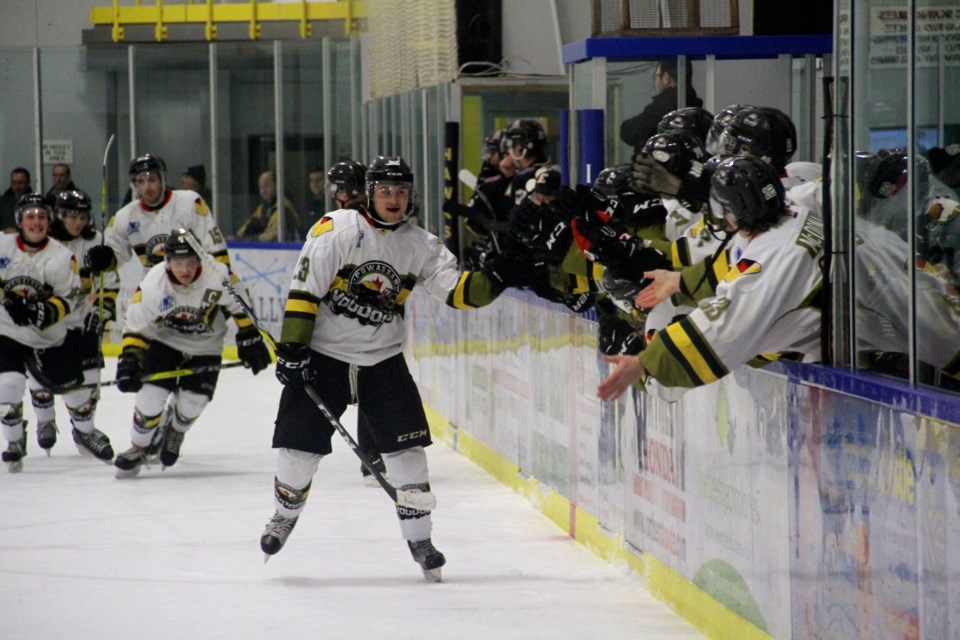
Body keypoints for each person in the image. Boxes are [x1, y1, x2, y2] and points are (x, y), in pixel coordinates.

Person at [259, 156, 515, 580]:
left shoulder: (421, 244)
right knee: (298, 451)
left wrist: (503, 270)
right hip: (326, 355)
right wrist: (292, 351)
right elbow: (305, 290)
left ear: (410, 196)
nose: (393, 199)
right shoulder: (337, 229)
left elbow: (458, 294)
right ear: (369, 194)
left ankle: (421, 539)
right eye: (384, 191)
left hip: (383, 360)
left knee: (407, 455)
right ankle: (284, 515)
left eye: (400, 192)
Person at [597, 156, 823, 403]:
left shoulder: (765, 271)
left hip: (863, 356)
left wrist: (643, 365)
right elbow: (733, 263)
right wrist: (680, 281)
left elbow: (716, 335)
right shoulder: (792, 213)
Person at [111, 228, 271, 478]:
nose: (184, 270)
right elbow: (137, 327)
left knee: (193, 402)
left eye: (190, 262)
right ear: (167, 261)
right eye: (177, 263)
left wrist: (248, 335)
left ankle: (175, 429)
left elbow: (240, 304)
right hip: (164, 341)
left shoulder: (217, 274)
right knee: (150, 396)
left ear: (199, 259)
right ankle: (139, 447)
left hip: (205, 345)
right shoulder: (154, 284)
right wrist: (130, 360)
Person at [1, 194, 113, 472]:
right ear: (20, 221)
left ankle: (86, 432)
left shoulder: (61, 257)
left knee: (74, 391)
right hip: (8, 333)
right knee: (8, 386)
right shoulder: (2, 247)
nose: (36, 221)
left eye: (41, 216)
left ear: (49, 222)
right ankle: (14, 441)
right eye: (30, 216)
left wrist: (40, 312)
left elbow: (69, 297)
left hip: (48, 336)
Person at [26, 190, 119, 458]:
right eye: (71, 216)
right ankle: (45, 420)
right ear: (59, 216)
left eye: (82, 216)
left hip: (83, 326)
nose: (77, 222)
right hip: (50, 327)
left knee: (89, 386)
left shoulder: (95, 244)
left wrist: (102, 312)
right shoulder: (46, 243)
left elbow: (110, 285)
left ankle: (83, 431)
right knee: (41, 380)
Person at [83, 154, 232, 279]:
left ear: (162, 180)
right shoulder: (125, 216)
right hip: (156, 288)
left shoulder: (189, 203)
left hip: (194, 282)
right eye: (140, 181)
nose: (147, 187)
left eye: (152, 180)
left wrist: (222, 281)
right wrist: (102, 258)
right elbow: (115, 253)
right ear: (135, 186)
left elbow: (215, 249)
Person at [620, 59, 703, 156]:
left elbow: (631, 132)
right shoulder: (693, 105)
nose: (655, 83)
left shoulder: (665, 104)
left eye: (656, 77)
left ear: (665, 78)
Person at [236, 169, 302, 242]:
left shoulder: (283, 207)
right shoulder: (263, 207)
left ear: (277, 185)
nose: (263, 190)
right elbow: (250, 224)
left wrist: (251, 239)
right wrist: (237, 237)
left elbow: (272, 235)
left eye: (267, 186)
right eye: (261, 187)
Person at [0, 167, 33, 233]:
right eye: (14, 183)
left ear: (28, 183)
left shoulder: (35, 202)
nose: (17, 186)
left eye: (20, 183)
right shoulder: (2, 202)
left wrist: (17, 231)